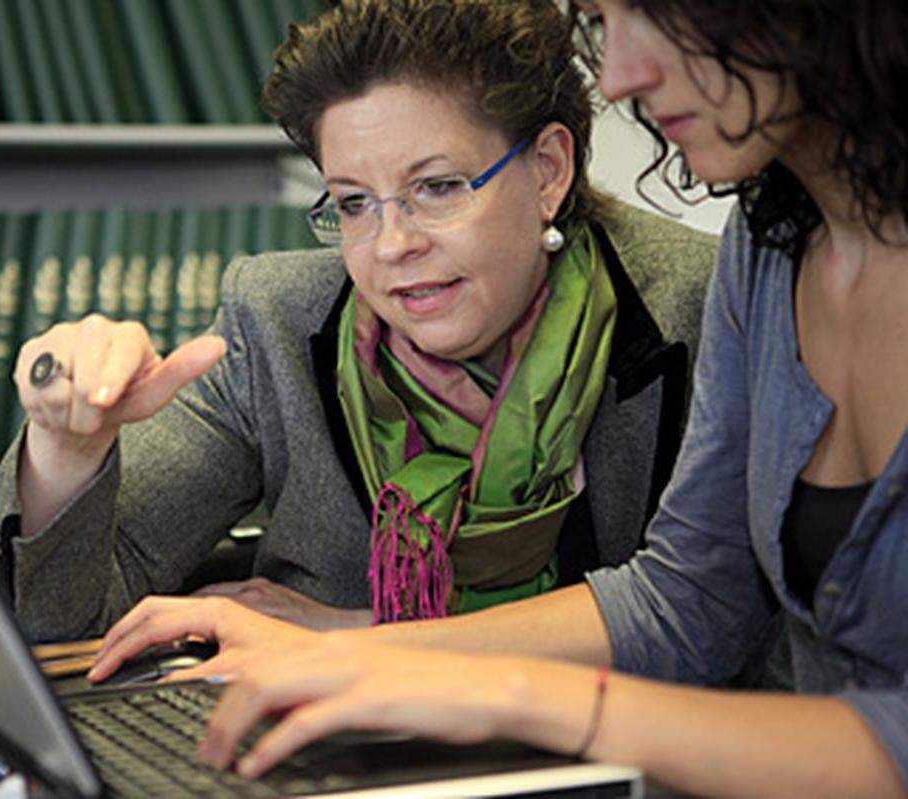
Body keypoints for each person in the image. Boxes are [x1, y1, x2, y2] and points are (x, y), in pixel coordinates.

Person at [90, 1, 908, 796]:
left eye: (439, 186)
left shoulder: (695, 287)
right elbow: (690, 601)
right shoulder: (766, 254)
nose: (618, 75)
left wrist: (485, 686)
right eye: (351, 202)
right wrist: (356, 646)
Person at [0, 0, 718, 646]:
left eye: (437, 187)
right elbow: (53, 623)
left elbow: (724, 628)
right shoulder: (274, 322)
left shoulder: (702, 302)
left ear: (549, 171)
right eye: (354, 202)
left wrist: (360, 637)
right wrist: (68, 449)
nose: (393, 246)